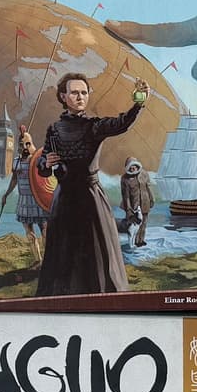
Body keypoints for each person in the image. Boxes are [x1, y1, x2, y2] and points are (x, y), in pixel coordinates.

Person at [34, 73, 148, 296]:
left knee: (96, 255)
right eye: (75, 92)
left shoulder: (94, 127)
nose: (80, 97)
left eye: (84, 93)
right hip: (64, 200)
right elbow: (43, 166)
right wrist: (45, 162)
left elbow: (122, 123)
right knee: (64, 255)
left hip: (91, 199)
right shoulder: (54, 129)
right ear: (63, 96)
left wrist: (139, 102)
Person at [0, 125, 50, 254]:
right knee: (29, 232)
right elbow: (14, 180)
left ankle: (48, 259)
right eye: (23, 145)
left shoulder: (37, 160)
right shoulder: (16, 162)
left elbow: (46, 177)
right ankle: (37, 259)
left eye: (27, 144)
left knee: (45, 229)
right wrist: (6, 194)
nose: (25, 147)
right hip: (24, 200)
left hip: (37, 197)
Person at [118, 157, 153, 248]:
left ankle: (140, 241)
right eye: (131, 167)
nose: (133, 169)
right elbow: (125, 196)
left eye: (134, 167)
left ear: (137, 166)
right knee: (133, 225)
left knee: (143, 223)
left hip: (145, 203)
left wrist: (151, 199)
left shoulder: (144, 173)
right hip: (133, 206)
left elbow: (148, 187)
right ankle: (133, 242)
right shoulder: (124, 178)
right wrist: (128, 209)